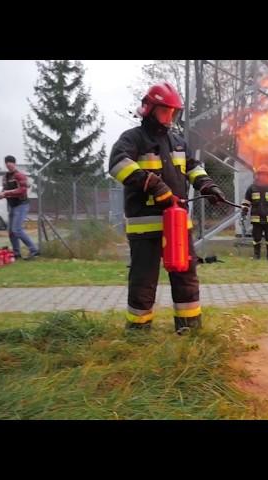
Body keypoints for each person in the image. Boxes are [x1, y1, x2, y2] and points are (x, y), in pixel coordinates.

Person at [108, 81, 226, 333]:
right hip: (146, 226)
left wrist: (208, 187)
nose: (169, 117)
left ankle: (189, 329)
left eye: (174, 112)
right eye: (164, 111)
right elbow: (118, 164)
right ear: (149, 109)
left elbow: (194, 168)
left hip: (178, 225)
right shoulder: (132, 139)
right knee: (143, 280)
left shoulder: (178, 142)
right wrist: (154, 185)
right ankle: (138, 333)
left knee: (186, 277)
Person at [0, 155, 39, 260]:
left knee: (17, 229)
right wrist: (0, 195)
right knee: (11, 231)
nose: (8, 164)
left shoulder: (19, 175)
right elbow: (4, 190)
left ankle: (34, 250)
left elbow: (22, 191)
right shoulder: (5, 178)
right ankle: (17, 254)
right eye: (6, 162)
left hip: (21, 205)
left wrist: (6, 193)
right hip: (11, 206)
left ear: (14, 163)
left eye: (10, 162)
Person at [241, 165, 268, 260]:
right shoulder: (252, 188)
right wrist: (244, 212)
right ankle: (257, 255)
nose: (262, 177)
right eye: (261, 175)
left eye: (265, 175)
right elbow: (246, 202)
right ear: (257, 175)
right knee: (256, 238)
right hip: (256, 218)